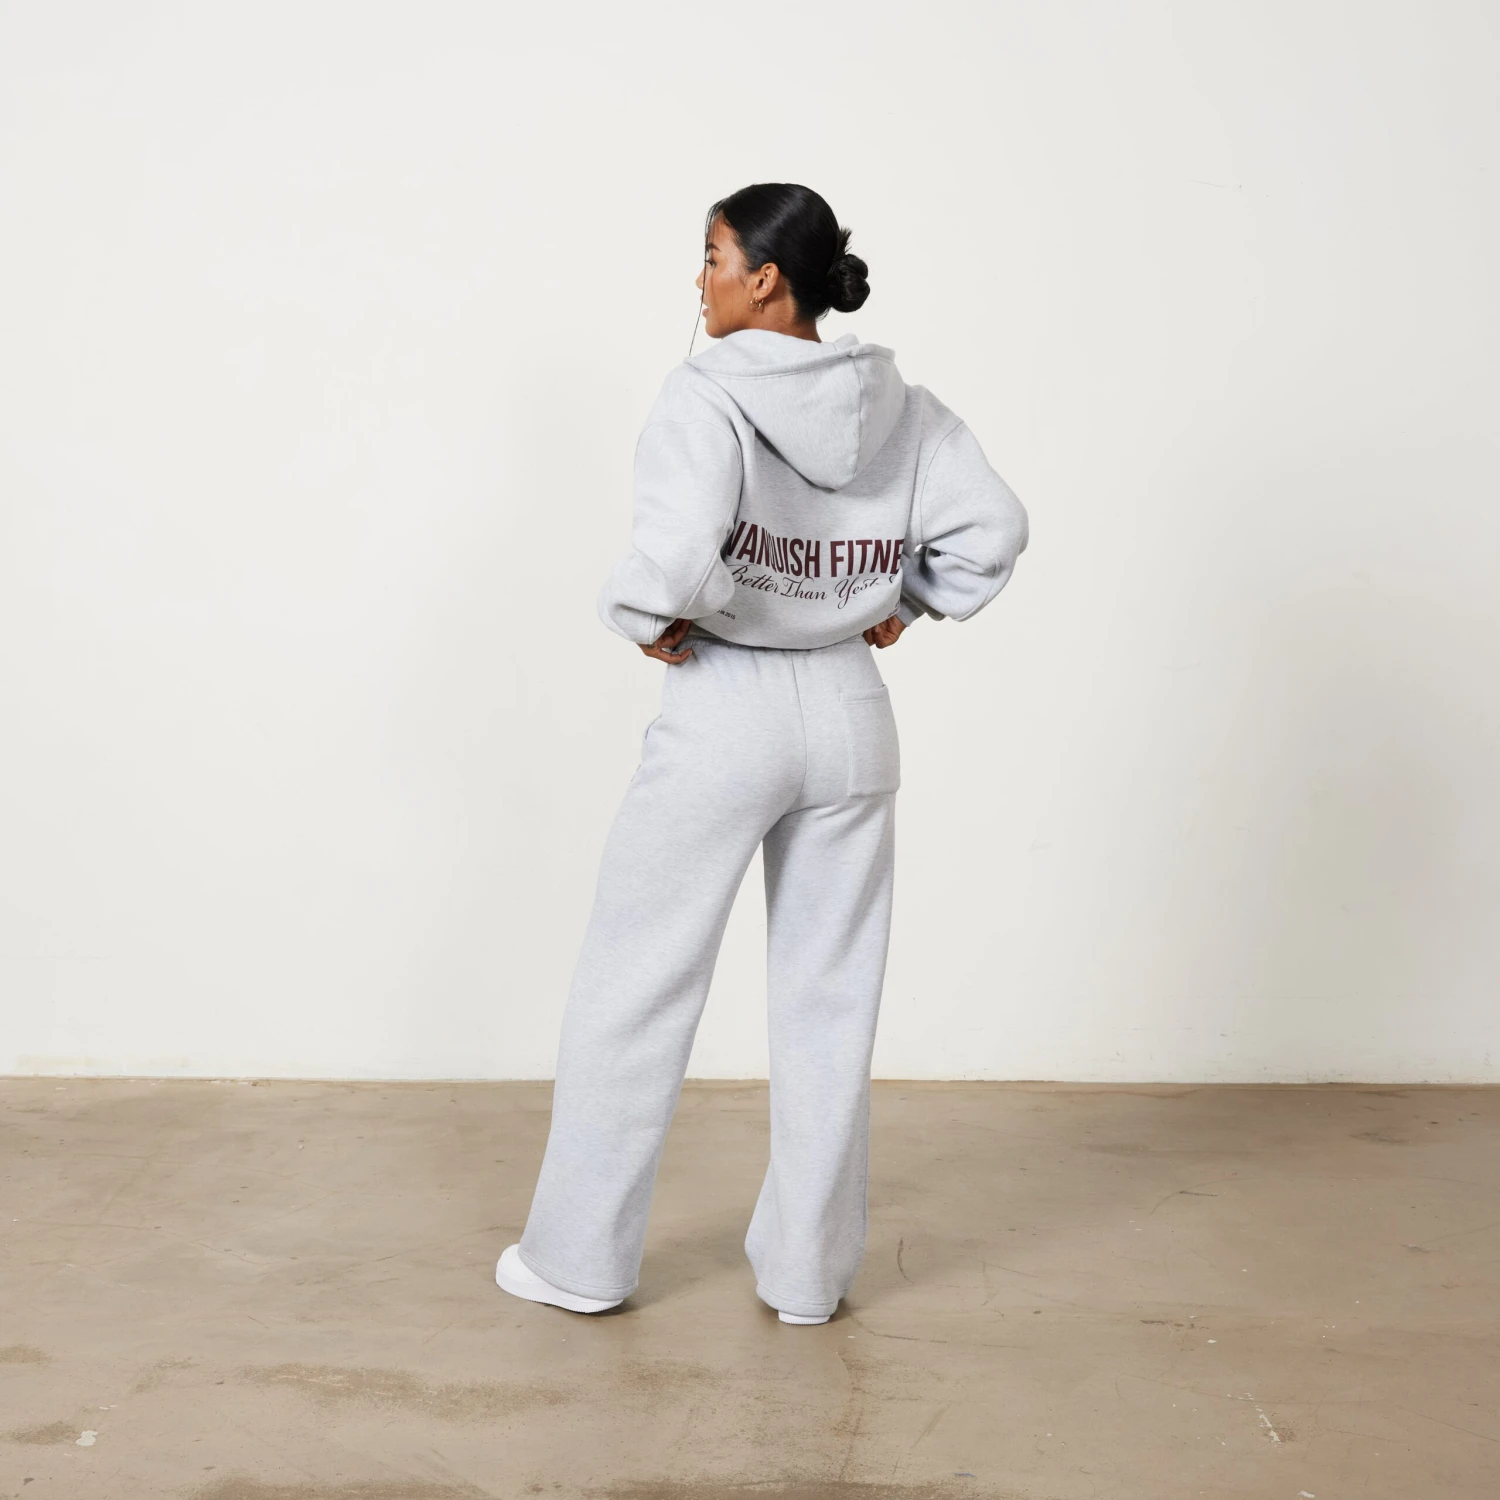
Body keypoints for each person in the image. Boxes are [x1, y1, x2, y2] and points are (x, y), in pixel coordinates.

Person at [496, 183, 1029, 1325]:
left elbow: (680, 553)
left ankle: (579, 1261)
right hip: (850, 712)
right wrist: (904, 599)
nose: (699, 280)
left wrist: (646, 616)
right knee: (832, 1004)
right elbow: (994, 529)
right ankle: (806, 1280)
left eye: (711, 256)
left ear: (765, 278)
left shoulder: (705, 393)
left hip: (726, 706)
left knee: (638, 980)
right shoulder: (907, 411)